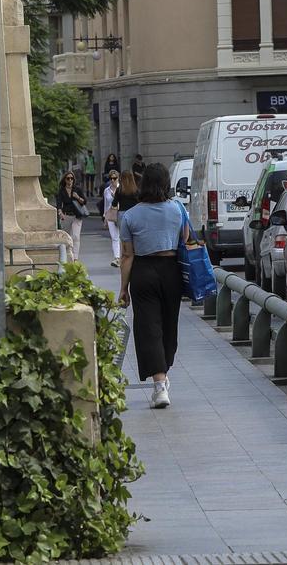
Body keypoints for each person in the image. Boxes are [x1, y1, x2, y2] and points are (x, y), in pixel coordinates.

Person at [118, 163, 186, 409]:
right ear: (166, 183)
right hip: (171, 270)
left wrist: (123, 289)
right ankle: (162, 375)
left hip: (143, 272)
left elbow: (127, 256)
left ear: (143, 183)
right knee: (169, 325)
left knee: (148, 327)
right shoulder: (178, 209)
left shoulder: (131, 215)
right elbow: (185, 239)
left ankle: (160, 384)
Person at [56, 171, 87, 261]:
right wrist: (60, 213)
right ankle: (68, 254)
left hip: (77, 216)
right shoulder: (61, 190)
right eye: (68, 178)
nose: (70, 180)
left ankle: (75, 257)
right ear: (65, 180)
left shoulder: (77, 189)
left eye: (71, 178)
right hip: (66, 216)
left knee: (76, 236)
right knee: (67, 237)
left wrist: (77, 197)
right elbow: (59, 204)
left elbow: (84, 201)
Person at [103, 170, 122, 267]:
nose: (112, 180)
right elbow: (106, 205)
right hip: (111, 214)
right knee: (114, 237)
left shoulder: (121, 189)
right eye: (111, 178)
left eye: (114, 178)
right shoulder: (106, 190)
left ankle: (124, 256)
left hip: (121, 214)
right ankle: (117, 258)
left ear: (118, 178)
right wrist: (105, 217)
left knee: (122, 237)